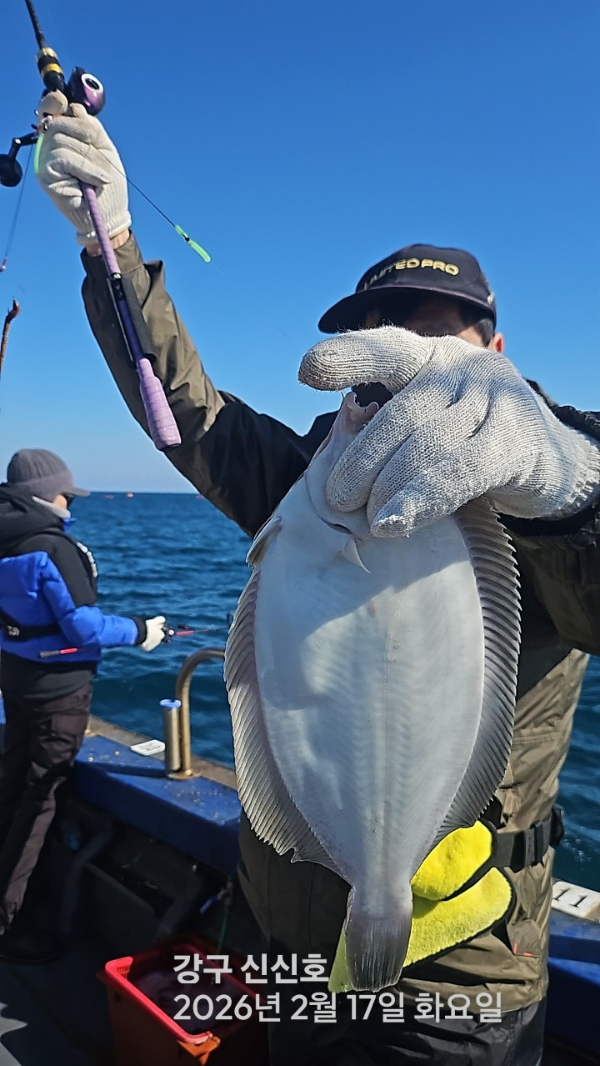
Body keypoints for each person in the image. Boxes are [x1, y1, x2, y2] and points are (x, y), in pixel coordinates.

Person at [35, 109, 600, 1064]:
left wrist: (567, 493)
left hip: (458, 980)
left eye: (431, 337)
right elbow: (188, 413)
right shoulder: (310, 484)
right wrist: (112, 246)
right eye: (377, 349)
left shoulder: (557, 465)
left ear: (493, 356)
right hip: (281, 941)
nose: (396, 371)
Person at [0, 448, 167, 962]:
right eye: (67, 494)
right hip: (60, 695)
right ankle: (10, 925)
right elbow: (83, 627)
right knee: (38, 801)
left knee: (12, 789)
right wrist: (141, 631)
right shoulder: (53, 548)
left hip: (16, 683)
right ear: (49, 494)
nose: (69, 502)